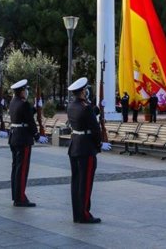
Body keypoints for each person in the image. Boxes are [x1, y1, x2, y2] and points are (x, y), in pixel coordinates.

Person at [66, 77, 111, 224]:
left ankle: (76, 214)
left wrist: (98, 108)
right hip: (86, 148)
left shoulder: (72, 106)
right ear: (83, 91)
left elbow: (84, 117)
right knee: (85, 184)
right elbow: (95, 128)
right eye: (85, 90)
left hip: (75, 146)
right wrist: (99, 145)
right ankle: (84, 214)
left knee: (76, 182)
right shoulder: (85, 108)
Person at [8, 79, 48, 206]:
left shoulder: (13, 102)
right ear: (22, 91)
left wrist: (36, 108)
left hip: (14, 137)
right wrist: (37, 136)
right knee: (22, 169)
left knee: (16, 168)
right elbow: (30, 121)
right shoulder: (23, 104)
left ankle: (16, 195)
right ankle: (20, 198)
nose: (27, 92)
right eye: (26, 90)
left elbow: (25, 114)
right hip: (23, 138)